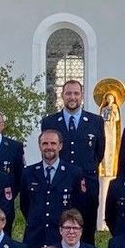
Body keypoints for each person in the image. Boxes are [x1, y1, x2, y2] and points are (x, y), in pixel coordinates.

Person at [42, 79, 106, 230]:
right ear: (62, 95)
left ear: (82, 96)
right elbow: (47, 151)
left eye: (76, 93)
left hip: (87, 183)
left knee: (86, 227)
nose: (72, 97)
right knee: (57, 226)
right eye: (68, 93)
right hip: (59, 183)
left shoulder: (95, 121)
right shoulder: (49, 122)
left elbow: (99, 151)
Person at [21, 129, 81, 248]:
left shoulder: (74, 172)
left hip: (61, 238)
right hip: (35, 238)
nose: (49, 147)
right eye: (45, 143)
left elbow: (78, 205)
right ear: (39, 146)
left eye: (53, 143)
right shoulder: (28, 173)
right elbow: (25, 205)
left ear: (60, 146)